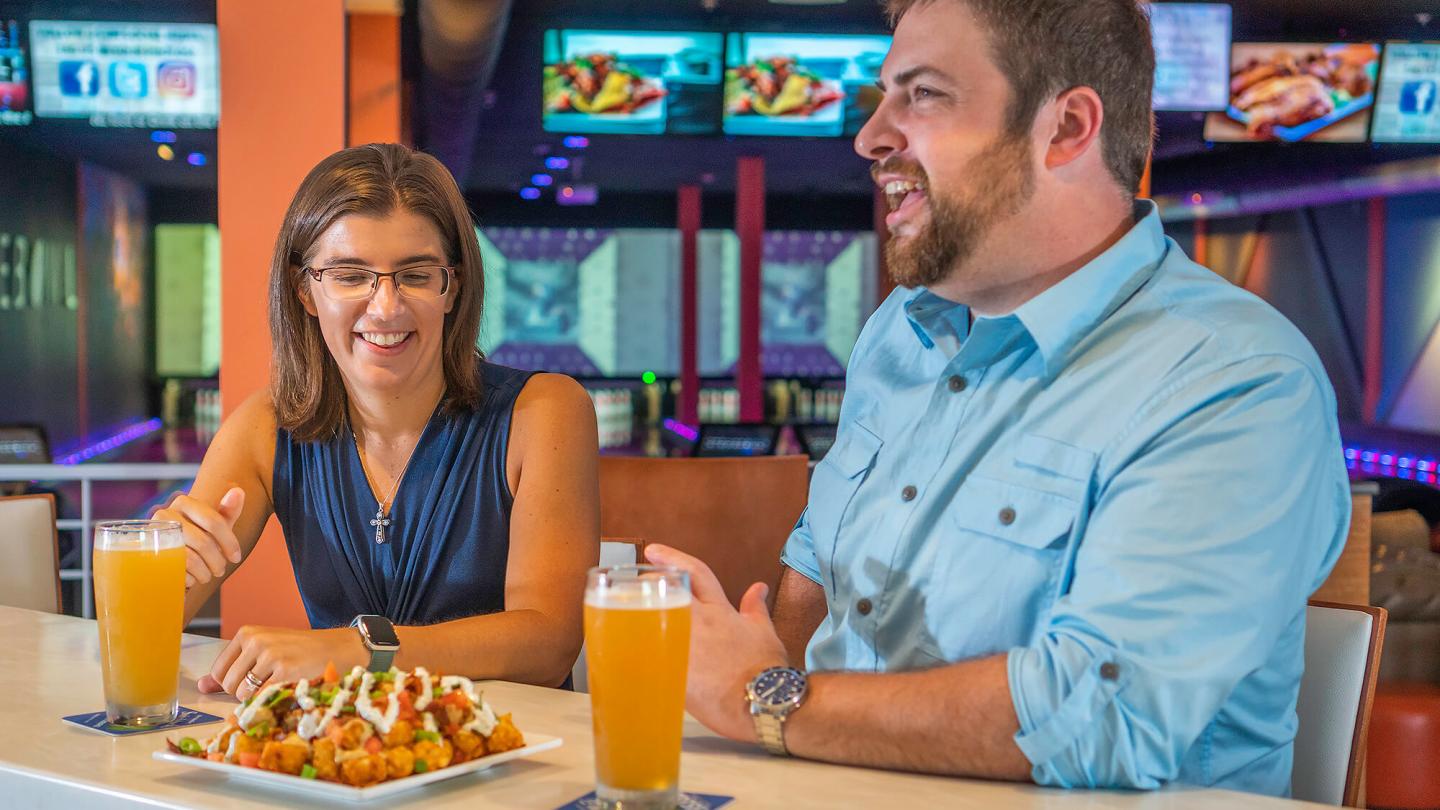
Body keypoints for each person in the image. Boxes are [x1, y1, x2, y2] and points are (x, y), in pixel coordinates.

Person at [648, 0, 1348, 796]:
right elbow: (819, 561)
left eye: (923, 95)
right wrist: (767, 726)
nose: (869, 136)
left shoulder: (1235, 381)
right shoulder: (900, 330)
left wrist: (767, 700)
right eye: (884, 95)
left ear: (1067, 129)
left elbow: (1104, 716)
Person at [160, 143, 599, 698]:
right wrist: (159, 566)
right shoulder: (265, 427)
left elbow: (550, 643)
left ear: (453, 287)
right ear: (305, 291)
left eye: (415, 274)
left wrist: (363, 651)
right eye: (350, 275)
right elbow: (139, 631)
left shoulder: (545, 411)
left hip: (514, 743)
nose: (386, 306)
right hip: (345, 745)